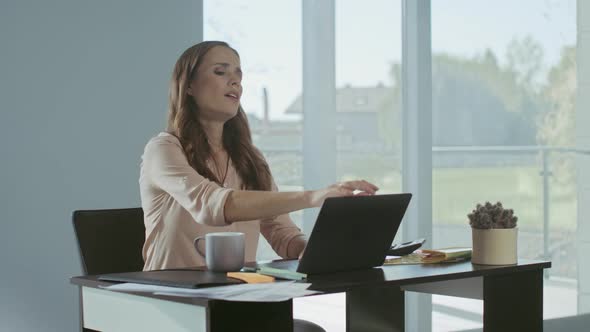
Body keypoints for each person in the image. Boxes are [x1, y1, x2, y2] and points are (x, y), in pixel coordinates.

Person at [140, 41, 379, 270]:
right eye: (220, 72)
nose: (235, 81)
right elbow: (210, 204)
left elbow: (279, 230)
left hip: (234, 295)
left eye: (238, 75)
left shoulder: (249, 159)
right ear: (188, 85)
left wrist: (309, 249)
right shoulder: (163, 150)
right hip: (170, 298)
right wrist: (313, 197)